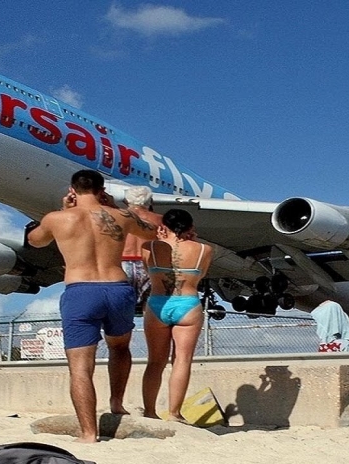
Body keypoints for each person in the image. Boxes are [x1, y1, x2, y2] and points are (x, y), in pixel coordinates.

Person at [26, 169, 157, 443]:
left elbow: (34, 241)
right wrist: (112, 207)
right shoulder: (121, 216)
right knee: (120, 347)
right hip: (118, 288)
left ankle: (89, 433)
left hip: (81, 290)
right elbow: (151, 231)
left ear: (72, 190)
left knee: (80, 368)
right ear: (102, 189)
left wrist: (64, 209)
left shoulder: (57, 219)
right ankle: (117, 404)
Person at [141, 209, 213, 423]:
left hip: (158, 303)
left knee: (155, 361)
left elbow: (147, 270)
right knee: (182, 360)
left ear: (164, 226)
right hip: (188, 304)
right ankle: (174, 413)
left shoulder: (149, 247)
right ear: (190, 227)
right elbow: (201, 275)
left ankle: (150, 411)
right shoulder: (204, 250)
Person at [120, 186, 163, 315]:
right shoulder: (159, 219)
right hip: (148, 264)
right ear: (149, 201)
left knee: (121, 309)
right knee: (150, 310)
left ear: (127, 200)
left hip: (123, 263)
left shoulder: (118, 217)